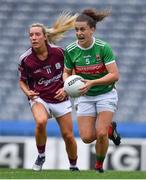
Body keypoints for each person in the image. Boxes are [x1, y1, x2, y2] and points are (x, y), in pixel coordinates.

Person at [18, 12, 79, 171]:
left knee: (68, 136)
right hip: (40, 98)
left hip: (60, 97)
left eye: (37, 34)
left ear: (45, 37)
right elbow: (22, 81)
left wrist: (66, 90)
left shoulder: (59, 53)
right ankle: (41, 156)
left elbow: (72, 72)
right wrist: (27, 92)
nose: (33, 38)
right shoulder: (26, 59)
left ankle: (73, 166)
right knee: (41, 121)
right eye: (31, 35)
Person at [63, 8, 121, 173]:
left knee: (101, 133)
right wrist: (66, 83)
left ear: (92, 29)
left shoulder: (103, 47)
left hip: (106, 93)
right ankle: (110, 129)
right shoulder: (70, 50)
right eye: (76, 30)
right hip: (85, 95)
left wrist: (92, 82)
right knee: (87, 138)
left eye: (83, 29)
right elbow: (66, 72)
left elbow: (115, 75)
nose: (79, 33)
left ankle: (99, 166)